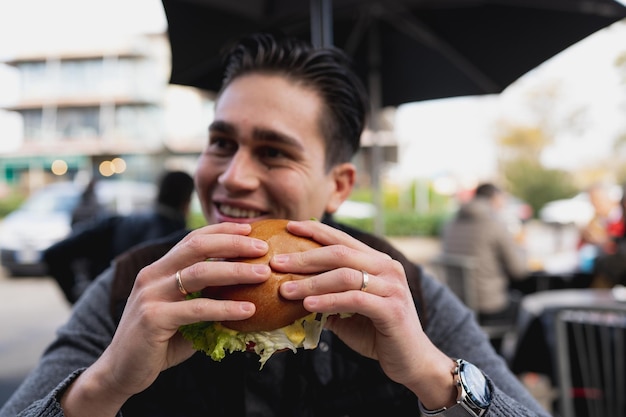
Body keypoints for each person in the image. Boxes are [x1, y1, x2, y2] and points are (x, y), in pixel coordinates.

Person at [1, 33, 549, 417]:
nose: (231, 177)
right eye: (221, 143)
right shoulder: (136, 284)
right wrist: (103, 387)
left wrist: (432, 375)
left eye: (273, 152)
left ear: (339, 184)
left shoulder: (401, 291)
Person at [43, 170, 195, 304]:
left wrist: (81, 299)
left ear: (158, 192)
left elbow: (54, 253)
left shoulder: (115, 223)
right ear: (187, 201)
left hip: (102, 320)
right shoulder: (182, 242)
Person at [441, 183, 528, 325]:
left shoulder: (450, 224)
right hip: (488, 307)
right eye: (502, 200)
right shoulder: (494, 224)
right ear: (493, 199)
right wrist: (524, 249)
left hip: (457, 304)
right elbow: (519, 270)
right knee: (529, 307)